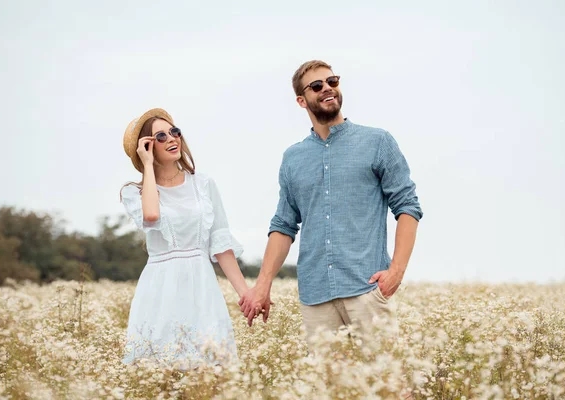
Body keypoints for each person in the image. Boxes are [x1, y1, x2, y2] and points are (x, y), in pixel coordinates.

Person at [239, 60, 423, 345]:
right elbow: (284, 225)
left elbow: (408, 206)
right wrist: (262, 285)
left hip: (367, 288)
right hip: (315, 297)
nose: (327, 88)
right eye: (316, 86)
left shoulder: (377, 142)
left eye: (332, 81)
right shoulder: (293, 158)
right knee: (326, 387)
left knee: (389, 386)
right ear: (302, 100)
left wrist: (396, 271)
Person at [120, 108, 247, 367]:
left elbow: (220, 243)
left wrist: (246, 295)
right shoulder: (134, 192)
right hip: (160, 289)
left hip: (202, 286)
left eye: (174, 132)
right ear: (146, 146)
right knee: (159, 371)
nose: (172, 138)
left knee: (210, 369)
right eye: (161, 136)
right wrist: (146, 165)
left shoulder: (203, 184)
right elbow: (152, 216)